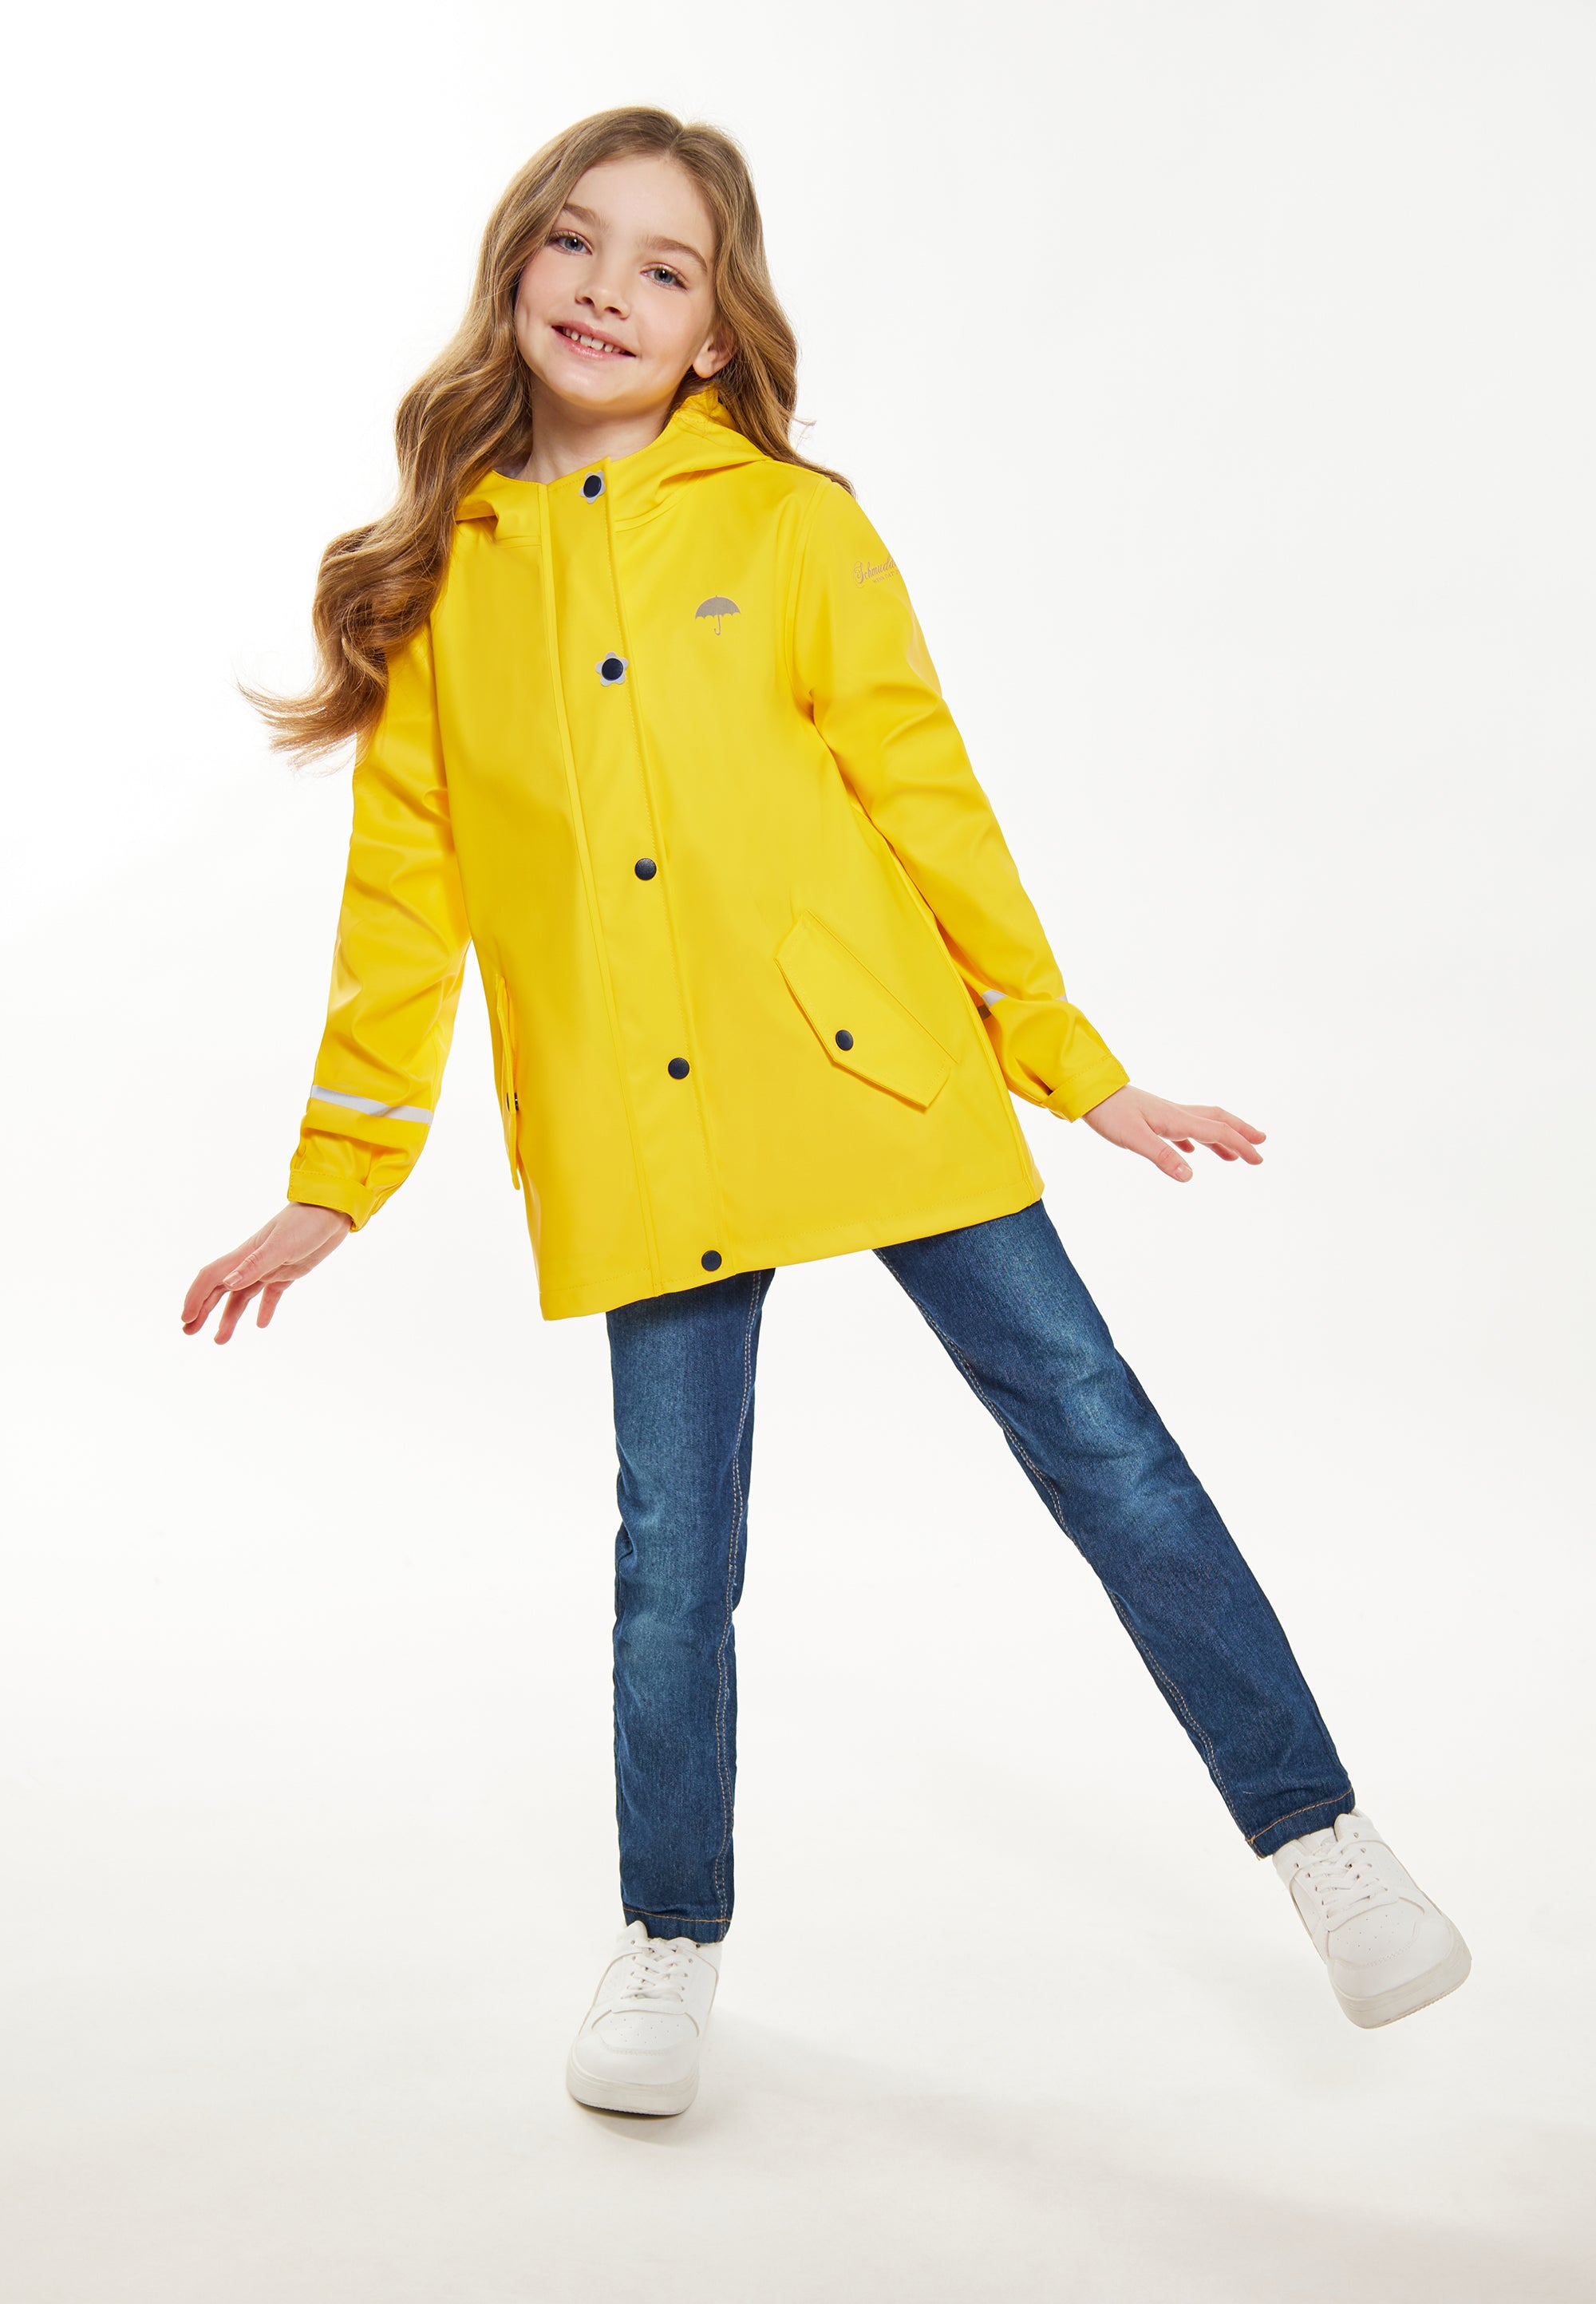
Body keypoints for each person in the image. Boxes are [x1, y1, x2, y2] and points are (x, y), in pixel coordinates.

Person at [182, 105, 1469, 2117]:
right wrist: (335, 1183)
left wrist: (1072, 1061)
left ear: (716, 331)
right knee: (672, 1550)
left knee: (1107, 1452)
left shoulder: (793, 527)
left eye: (665, 266)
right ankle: (668, 1938)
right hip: (648, 1128)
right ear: (515, 270)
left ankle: (1323, 1840)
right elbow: (402, 910)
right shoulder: (443, 584)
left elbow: (922, 791)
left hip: (879, 1077)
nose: (608, 289)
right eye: (575, 244)